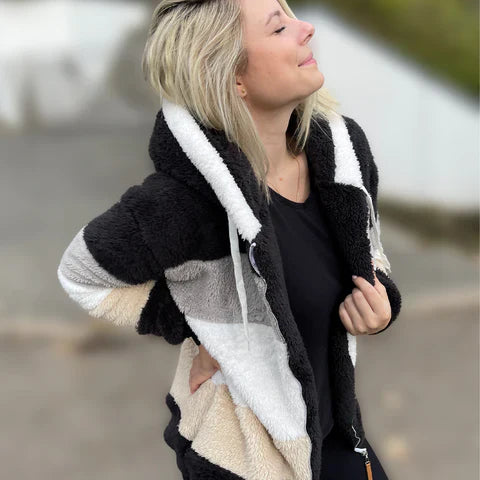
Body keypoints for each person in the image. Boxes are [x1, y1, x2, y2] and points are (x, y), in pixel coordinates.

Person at [57, 0, 402, 478]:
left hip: (339, 438)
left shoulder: (343, 155)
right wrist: (206, 329)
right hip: (244, 461)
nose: (306, 29)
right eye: (278, 27)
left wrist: (383, 302)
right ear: (232, 76)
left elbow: (371, 250)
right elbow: (82, 274)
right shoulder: (183, 203)